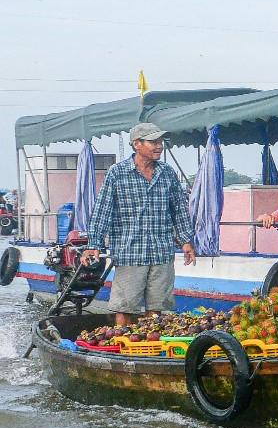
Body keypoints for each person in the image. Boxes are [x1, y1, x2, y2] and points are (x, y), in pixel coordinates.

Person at [80, 123, 195, 328]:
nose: (159, 146)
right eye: (153, 142)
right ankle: (123, 343)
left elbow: (179, 210)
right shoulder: (117, 173)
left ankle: (149, 344)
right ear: (136, 144)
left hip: (161, 251)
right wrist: (94, 245)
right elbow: (102, 211)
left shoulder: (167, 173)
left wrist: (186, 242)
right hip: (130, 251)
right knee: (125, 306)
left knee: (157, 305)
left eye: (161, 142)